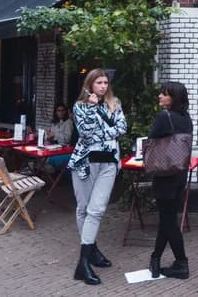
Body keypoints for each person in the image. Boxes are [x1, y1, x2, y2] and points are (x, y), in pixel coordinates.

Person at [67, 69, 127, 285]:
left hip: (109, 162)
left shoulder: (114, 103)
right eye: (98, 82)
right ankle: (88, 255)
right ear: (90, 85)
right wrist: (93, 110)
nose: (103, 86)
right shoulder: (80, 106)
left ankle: (84, 260)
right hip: (86, 162)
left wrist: (100, 134)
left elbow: (122, 128)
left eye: (105, 82)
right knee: (84, 209)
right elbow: (85, 134)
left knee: (97, 210)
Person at [148, 81, 193, 280]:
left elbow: (151, 139)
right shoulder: (186, 117)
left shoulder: (163, 117)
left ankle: (182, 263)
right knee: (168, 219)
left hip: (164, 175)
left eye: (164, 94)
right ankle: (155, 258)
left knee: (169, 222)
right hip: (179, 173)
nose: (160, 96)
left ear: (173, 98)